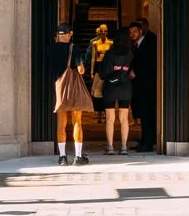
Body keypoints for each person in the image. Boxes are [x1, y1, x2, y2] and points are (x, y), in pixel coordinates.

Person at [52, 24, 94, 164]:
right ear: (70, 34)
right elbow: (81, 70)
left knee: (61, 123)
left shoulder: (50, 49)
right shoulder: (74, 48)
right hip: (73, 88)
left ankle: (62, 157)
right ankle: (78, 156)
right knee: (77, 121)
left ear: (57, 35)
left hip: (58, 87)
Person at [96, 23, 136, 157]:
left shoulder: (109, 54)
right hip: (125, 87)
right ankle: (124, 146)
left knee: (110, 118)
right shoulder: (130, 54)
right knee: (124, 118)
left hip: (111, 88)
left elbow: (103, 73)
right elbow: (133, 72)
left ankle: (110, 147)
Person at [123, 19, 156, 151]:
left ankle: (148, 143)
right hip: (139, 86)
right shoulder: (135, 45)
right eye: (130, 32)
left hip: (147, 85)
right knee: (143, 114)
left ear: (141, 31)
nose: (132, 34)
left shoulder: (149, 43)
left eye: (135, 32)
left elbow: (150, 63)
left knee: (148, 114)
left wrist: (136, 72)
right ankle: (143, 140)